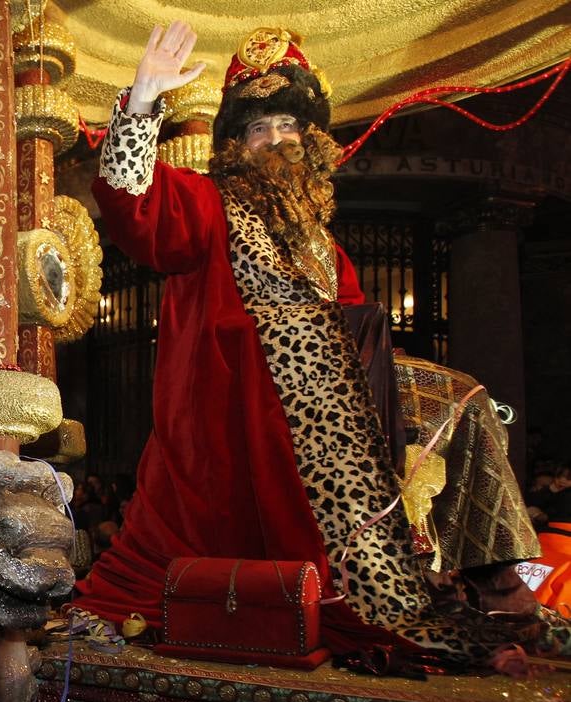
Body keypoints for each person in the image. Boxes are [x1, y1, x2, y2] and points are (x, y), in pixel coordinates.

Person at [75, 22, 570, 664]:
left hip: (336, 409)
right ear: (235, 147)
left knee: (463, 401)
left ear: (310, 140)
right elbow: (130, 201)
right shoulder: (207, 205)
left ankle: (502, 592)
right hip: (251, 414)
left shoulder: (325, 247)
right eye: (256, 129)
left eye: (286, 125)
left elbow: (362, 340)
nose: (274, 140)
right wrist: (143, 101)